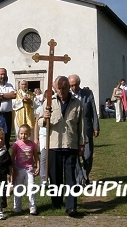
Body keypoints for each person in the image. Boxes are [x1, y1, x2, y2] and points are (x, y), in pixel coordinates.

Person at [39, 75, 85, 217]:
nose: (61, 91)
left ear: (68, 88)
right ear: (55, 88)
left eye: (64, 88)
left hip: (70, 143)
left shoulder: (76, 103)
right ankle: (56, 201)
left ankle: (71, 206)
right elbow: (39, 122)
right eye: (59, 88)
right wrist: (44, 118)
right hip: (54, 144)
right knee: (55, 176)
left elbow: (81, 125)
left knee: (71, 177)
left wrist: (82, 143)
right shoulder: (49, 102)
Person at [69, 74, 99, 183]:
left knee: (88, 155)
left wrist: (96, 127)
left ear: (79, 84)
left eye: (75, 85)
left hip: (86, 129)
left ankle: (85, 174)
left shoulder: (88, 94)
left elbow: (94, 112)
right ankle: (80, 178)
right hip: (73, 131)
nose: (74, 88)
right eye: (71, 86)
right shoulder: (67, 96)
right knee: (75, 156)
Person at [11, 124, 39, 215]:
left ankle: (32, 207)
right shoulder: (16, 144)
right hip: (18, 169)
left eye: (25, 134)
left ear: (29, 134)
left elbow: (36, 156)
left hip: (29, 169)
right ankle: (17, 207)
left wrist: (38, 167)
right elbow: (13, 157)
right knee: (18, 188)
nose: (23, 136)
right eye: (21, 133)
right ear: (18, 134)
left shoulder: (32, 144)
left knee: (31, 187)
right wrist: (13, 168)